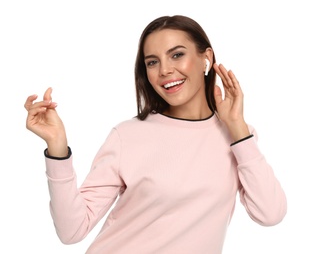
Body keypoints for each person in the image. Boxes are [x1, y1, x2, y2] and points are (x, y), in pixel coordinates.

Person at [24, 15, 287, 254]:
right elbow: (72, 231)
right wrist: (57, 148)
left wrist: (237, 129)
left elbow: (270, 213)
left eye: (176, 55)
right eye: (152, 62)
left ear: (206, 58)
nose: (164, 70)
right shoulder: (128, 136)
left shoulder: (240, 137)